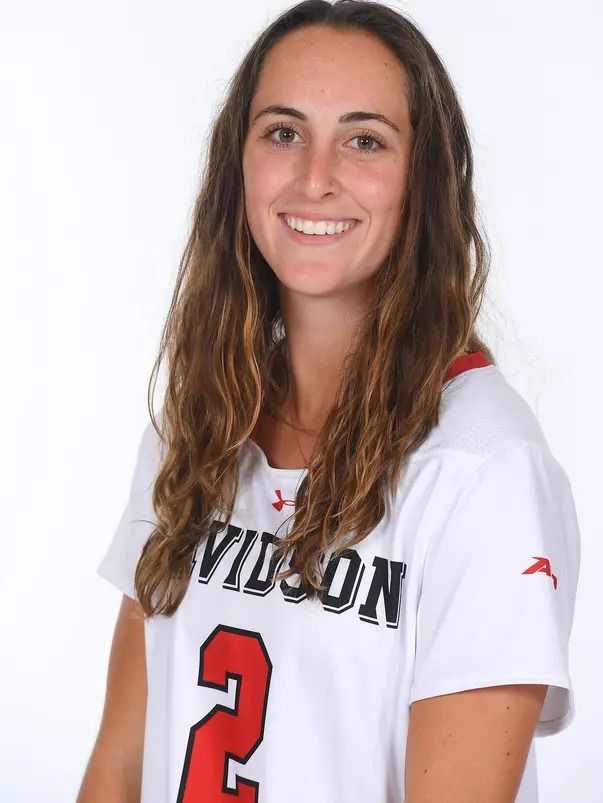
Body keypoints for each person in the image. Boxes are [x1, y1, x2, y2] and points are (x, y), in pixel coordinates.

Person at [77, 2, 581, 802]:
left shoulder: (483, 467)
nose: (315, 176)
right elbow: (122, 762)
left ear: (424, 179)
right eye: (282, 131)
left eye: (364, 139)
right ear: (237, 161)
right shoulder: (200, 423)